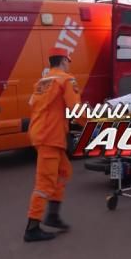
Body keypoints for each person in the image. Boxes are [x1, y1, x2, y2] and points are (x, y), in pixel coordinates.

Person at [24, 47, 82, 243]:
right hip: (50, 136)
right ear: (64, 61)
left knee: (64, 171)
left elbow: (33, 104)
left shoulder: (43, 81)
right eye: (68, 61)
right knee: (44, 183)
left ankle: (53, 215)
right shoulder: (66, 80)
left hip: (41, 133)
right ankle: (32, 227)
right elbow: (76, 110)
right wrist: (93, 124)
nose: (69, 65)